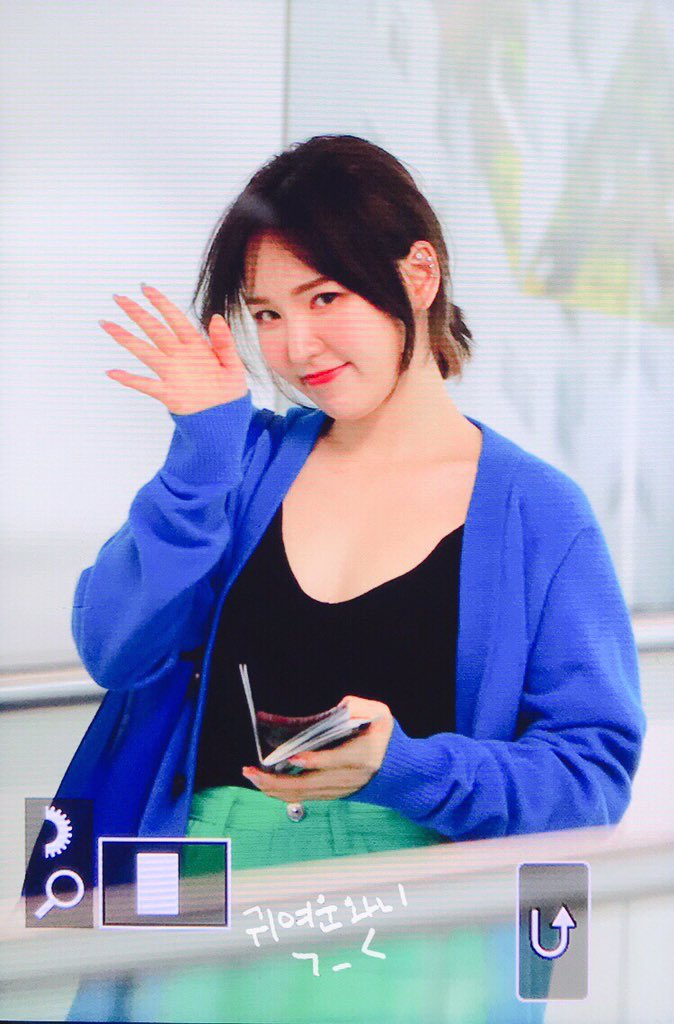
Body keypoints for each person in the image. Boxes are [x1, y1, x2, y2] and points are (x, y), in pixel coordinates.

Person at [52, 135, 644, 1023]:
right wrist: (203, 451)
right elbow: (113, 647)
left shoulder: (539, 513)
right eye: (267, 313)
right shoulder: (241, 464)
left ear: (418, 274)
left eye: (325, 297)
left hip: (422, 923)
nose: (296, 347)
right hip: (199, 891)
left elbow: (590, 777)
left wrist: (403, 768)